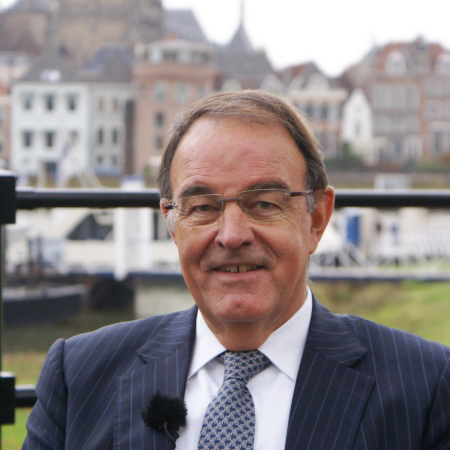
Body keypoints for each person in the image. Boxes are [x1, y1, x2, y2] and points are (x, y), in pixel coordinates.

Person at [23, 90, 449, 449]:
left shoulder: (424, 387)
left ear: (317, 218)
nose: (231, 235)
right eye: (202, 207)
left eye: (263, 203)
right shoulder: (79, 375)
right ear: (172, 224)